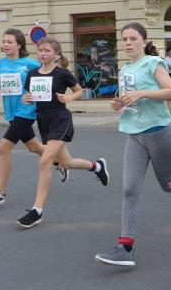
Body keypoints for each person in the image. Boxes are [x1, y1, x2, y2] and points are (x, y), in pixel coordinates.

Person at [95, 23, 171, 267]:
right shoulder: (125, 69)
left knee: (168, 184)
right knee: (129, 189)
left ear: (143, 41)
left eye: (133, 38)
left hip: (159, 134)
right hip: (134, 135)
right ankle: (125, 247)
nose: (128, 43)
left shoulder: (153, 63)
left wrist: (142, 93)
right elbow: (129, 101)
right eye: (124, 39)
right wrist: (119, 104)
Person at [18, 37, 109, 228]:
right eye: (40, 50)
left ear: (56, 55)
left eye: (47, 50)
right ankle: (97, 166)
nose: (43, 53)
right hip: (43, 120)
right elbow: (28, 96)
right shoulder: (32, 74)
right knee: (67, 162)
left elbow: (78, 91)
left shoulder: (62, 73)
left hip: (61, 119)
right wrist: (26, 99)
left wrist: (68, 98)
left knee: (45, 161)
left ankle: (37, 211)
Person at [0, 29, 68, 206]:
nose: (5, 44)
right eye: (4, 41)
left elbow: (47, 75)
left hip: (27, 110)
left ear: (19, 45)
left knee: (3, 148)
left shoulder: (30, 63)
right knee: (33, 147)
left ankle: (0, 193)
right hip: (11, 111)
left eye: (10, 42)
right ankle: (60, 162)